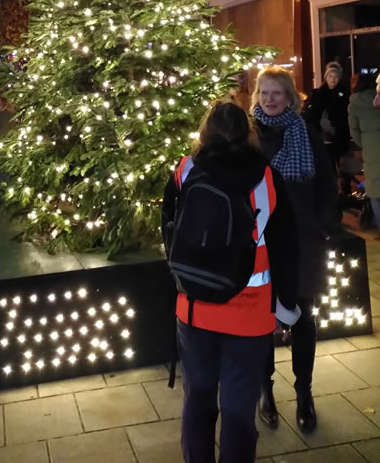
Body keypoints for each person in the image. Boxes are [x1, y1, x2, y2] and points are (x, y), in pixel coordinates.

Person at [162, 101, 299, 463]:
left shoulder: (185, 171)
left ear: (204, 134)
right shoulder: (268, 179)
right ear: (249, 133)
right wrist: (286, 309)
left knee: (198, 401)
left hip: (194, 309)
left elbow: (169, 229)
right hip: (249, 314)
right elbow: (286, 247)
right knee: (239, 410)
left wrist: (182, 276)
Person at [253, 66, 337, 432]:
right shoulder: (249, 137)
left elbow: (327, 185)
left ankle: (304, 392)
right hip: (263, 243)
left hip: (302, 240)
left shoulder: (307, 133)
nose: (270, 100)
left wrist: (320, 224)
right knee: (259, 321)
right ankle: (265, 392)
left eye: (277, 93)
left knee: (303, 315)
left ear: (290, 97)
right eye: (264, 93)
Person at [305, 62, 350, 188]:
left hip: (338, 135)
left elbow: (344, 115)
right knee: (327, 163)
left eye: (335, 77)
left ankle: (341, 188)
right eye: (330, 76)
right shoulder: (318, 94)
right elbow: (312, 114)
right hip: (321, 135)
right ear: (326, 77)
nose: (333, 79)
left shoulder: (344, 94)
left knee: (337, 162)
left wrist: (334, 126)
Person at [348, 73, 380, 229]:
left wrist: (364, 143)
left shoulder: (354, 105)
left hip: (370, 146)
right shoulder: (378, 99)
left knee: (374, 187)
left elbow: (354, 131)